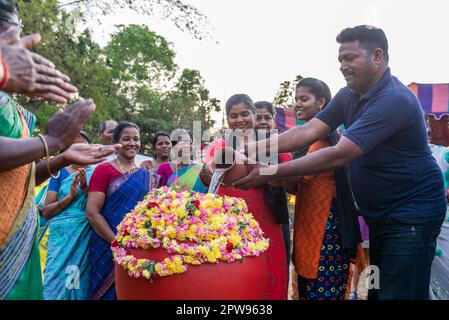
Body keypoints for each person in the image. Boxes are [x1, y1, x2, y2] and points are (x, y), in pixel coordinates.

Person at [235, 25, 447, 300]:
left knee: (398, 294)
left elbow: (338, 154)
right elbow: (307, 131)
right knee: (379, 291)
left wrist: (270, 171)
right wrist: (247, 150)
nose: (343, 66)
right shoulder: (348, 94)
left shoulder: (393, 100)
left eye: (350, 58)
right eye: (340, 60)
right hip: (383, 214)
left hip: (411, 214)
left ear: (378, 56)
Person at [202, 94, 288, 300]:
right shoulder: (220, 145)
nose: (239, 120)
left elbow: (293, 179)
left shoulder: (273, 144)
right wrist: (208, 168)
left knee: (270, 270)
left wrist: (266, 172)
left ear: (254, 115)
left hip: (266, 218)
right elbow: (207, 175)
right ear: (227, 119)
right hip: (228, 222)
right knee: (231, 271)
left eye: (244, 114)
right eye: (233, 116)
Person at [289, 78, 361, 300]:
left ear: (321, 102)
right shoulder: (308, 140)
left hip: (325, 231)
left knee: (321, 289)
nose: (298, 104)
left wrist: (265, 171)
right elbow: (294, 186)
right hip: (310, 226)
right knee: (310, 287)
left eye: (304, 99)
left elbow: (298, 175)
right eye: (296, 100)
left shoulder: (324, 142)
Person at [86, 122, 161, 300]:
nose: (132, 143)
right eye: (126, 139)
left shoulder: (147, 175)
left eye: (136, 139)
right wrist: (117, 244)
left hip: (137, 246)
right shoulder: (103, 169)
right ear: (116, 142)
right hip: (106, 244)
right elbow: (92, 212)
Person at [40, 131, 94, 300]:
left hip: (83, 235)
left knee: (76, 282)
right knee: (54, 283)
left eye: (83, 147)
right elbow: (47, 211)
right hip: (61, 237)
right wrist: (69, 197)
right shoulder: (59, 173)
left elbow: (98, 207)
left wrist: (85, 189)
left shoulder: (98, 173)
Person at [254, 101, 292, 271]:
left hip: (275, 215)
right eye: (258, 117)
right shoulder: (242, 148)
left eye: (267, 117)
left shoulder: (282, 147)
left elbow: (292, 183)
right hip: (250, 214)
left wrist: (277, 177)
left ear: (274, 120)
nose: (263, 121)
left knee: (277, 263)